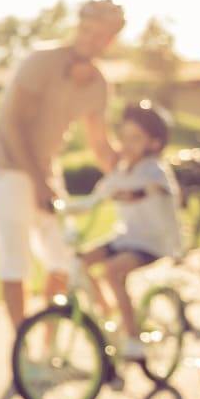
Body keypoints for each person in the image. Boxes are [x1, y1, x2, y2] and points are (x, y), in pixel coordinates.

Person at [0, 0, 125, 330]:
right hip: (7, 167)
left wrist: (131, 176)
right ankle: (22, 347)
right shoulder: (41, 62)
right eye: (86, 30)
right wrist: (39, 182)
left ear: (110, 40)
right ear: (78, 26)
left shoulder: (99, 84)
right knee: (17, 261)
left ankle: (48, 343)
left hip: (45, 170)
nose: (90, 38)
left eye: (100, 35)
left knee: (62, 259)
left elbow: (100, 144)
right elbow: (13, 125)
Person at [77, 100, 181, 359]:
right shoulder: (121, 171)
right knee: (80, 262)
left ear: (154, 144)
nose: (126, 144)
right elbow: (95, 198)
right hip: (126, 237)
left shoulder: (155, 170)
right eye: (123, 137)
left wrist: (138, 192)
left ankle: (134, 338)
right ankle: (110, 310)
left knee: (112, 272)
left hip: (153, 243)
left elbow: (157, 188)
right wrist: (64, 206)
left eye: (135, 138)